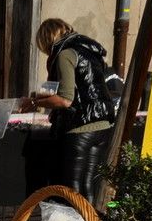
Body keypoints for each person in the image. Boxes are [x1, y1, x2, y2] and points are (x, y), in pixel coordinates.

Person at [20, 18, 116, 202]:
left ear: (46, 39)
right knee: (88, 186)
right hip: (103, 124)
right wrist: (39, 97)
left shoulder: (65, 54)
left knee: (73, 189)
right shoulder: (88, 50)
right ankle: (88, 220)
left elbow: (65, 100)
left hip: (81, 127)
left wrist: (34, 102)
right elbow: (84, 87)